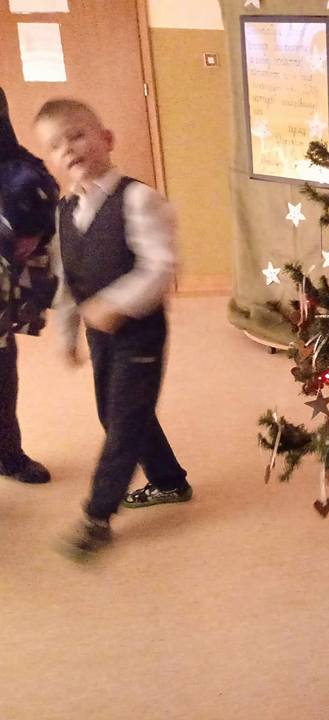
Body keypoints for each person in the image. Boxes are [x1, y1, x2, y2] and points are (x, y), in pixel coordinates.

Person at [33, 99, 192, 558]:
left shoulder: (139, 199)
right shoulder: (65, 211)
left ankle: (96, 516)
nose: (68, 149)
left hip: (139, 331)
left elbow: (161, 267)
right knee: (117, 410)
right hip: (99, 332)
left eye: (77, 135)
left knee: (122, 422)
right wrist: (67, 335)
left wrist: (116, 304)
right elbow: (68, 281)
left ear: (106, 139)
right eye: (55, 145)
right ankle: (168, 480)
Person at [0, 87, 59, 485]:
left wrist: (32, 227)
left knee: (1, 369)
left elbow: (41, 204)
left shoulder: (18, 170)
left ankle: (8, 454)